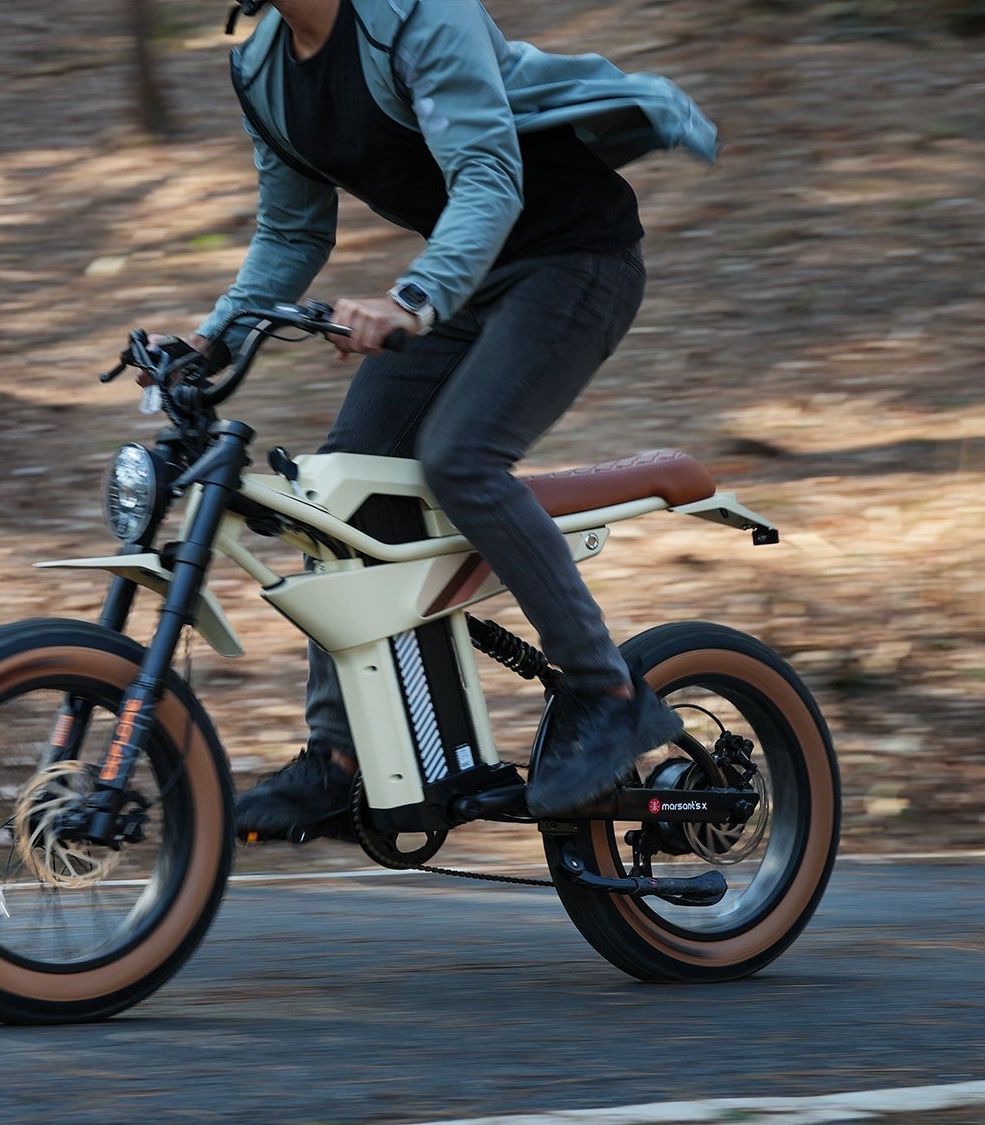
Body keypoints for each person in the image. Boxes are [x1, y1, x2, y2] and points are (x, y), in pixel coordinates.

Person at [185, 0, 718, 841]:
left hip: (574, 257)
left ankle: (606, 690)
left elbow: (487, 175)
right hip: (469, 281)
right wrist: (211, 338)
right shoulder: (264, 73)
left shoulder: (418, 16)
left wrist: (413, 298)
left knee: (459, 457)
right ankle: (342, 759)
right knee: (343, 489)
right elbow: (291, 232)